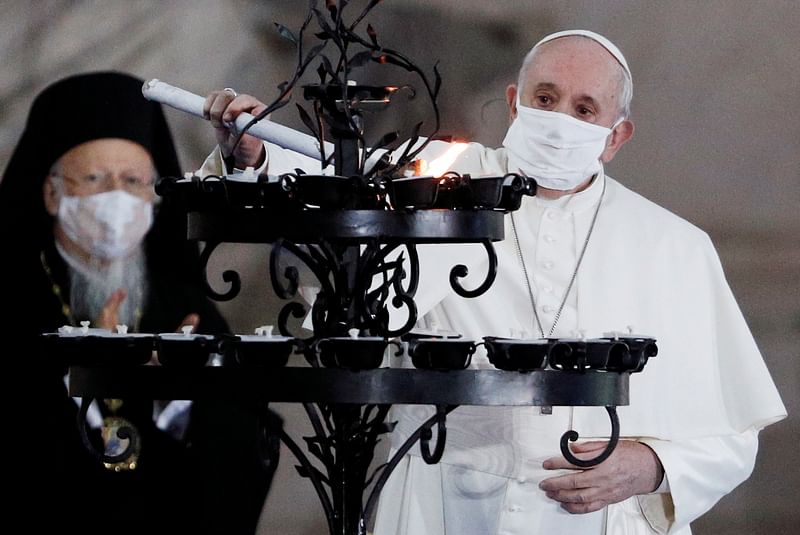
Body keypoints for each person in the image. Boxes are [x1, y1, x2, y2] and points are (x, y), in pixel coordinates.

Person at [200, 30, 786, 534]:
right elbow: (334, 178)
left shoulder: (675, 248)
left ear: (616, 137)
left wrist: (653, 467)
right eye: (545, 98)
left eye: (585, 109)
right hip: (443, 499)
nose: (560, 120)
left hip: (602, 519)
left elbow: (732, 433)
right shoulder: (437, 186)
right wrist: (254, 154)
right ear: (514, 103)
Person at [0, 71, 280, 535]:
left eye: (133, 180)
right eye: (94, 178)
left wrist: (180, 399)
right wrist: (87, 377)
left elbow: (246, 437)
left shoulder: (182, 305)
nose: (117, 198)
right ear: (52, 192)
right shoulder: (12, 294)